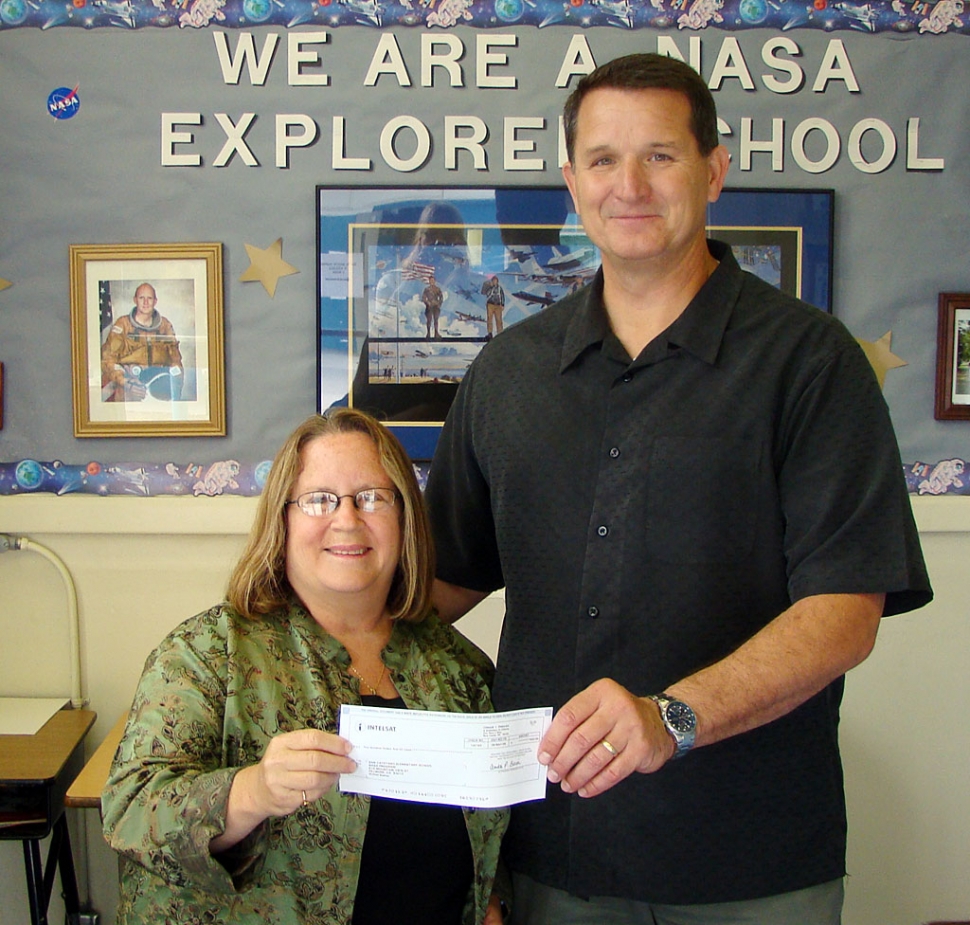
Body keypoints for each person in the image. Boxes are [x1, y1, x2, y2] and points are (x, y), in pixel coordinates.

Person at [424, 53, 932, 924]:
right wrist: (280, 635)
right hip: (552, 850)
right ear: (571, 182)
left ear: (715, 170)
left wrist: (674, 718)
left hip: (752, 857)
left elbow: (844, 612)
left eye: (659, 155)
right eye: (603, 159)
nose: (630, 184)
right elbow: (443, 583)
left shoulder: (810, 364)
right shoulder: (507, 372)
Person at [102, 408, 509, 925]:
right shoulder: (207, 651)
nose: (347, 519)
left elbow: (496, 834)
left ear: (405, 519)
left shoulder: (460, 671)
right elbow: (131, 810)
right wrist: (252, 791)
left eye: (372, 498)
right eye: (319, 500)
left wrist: (491, 902)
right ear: (283, 519)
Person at [101, 282, 183, 402]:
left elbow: (176, 362)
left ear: (155, 301)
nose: (145, 302)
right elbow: (108, 359)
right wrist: (125, 382)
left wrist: (174, 391)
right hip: (128, 389)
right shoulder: (123, 325)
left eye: (149, 298)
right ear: (135, 300)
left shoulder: (165, 326)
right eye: (141, 298)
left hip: (159, 390)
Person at [480, 274, 506, 341]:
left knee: (499, 320)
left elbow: (502, 296)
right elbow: (483, 292)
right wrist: (488, 285)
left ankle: (500, 333)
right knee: (489, 319)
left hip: (498, 305)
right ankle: (490, 333)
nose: (494, 282)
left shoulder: (499, 288)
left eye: (495, 281)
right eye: (493, 281)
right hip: (490, 305)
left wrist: (502, 304)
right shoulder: (488, 287)